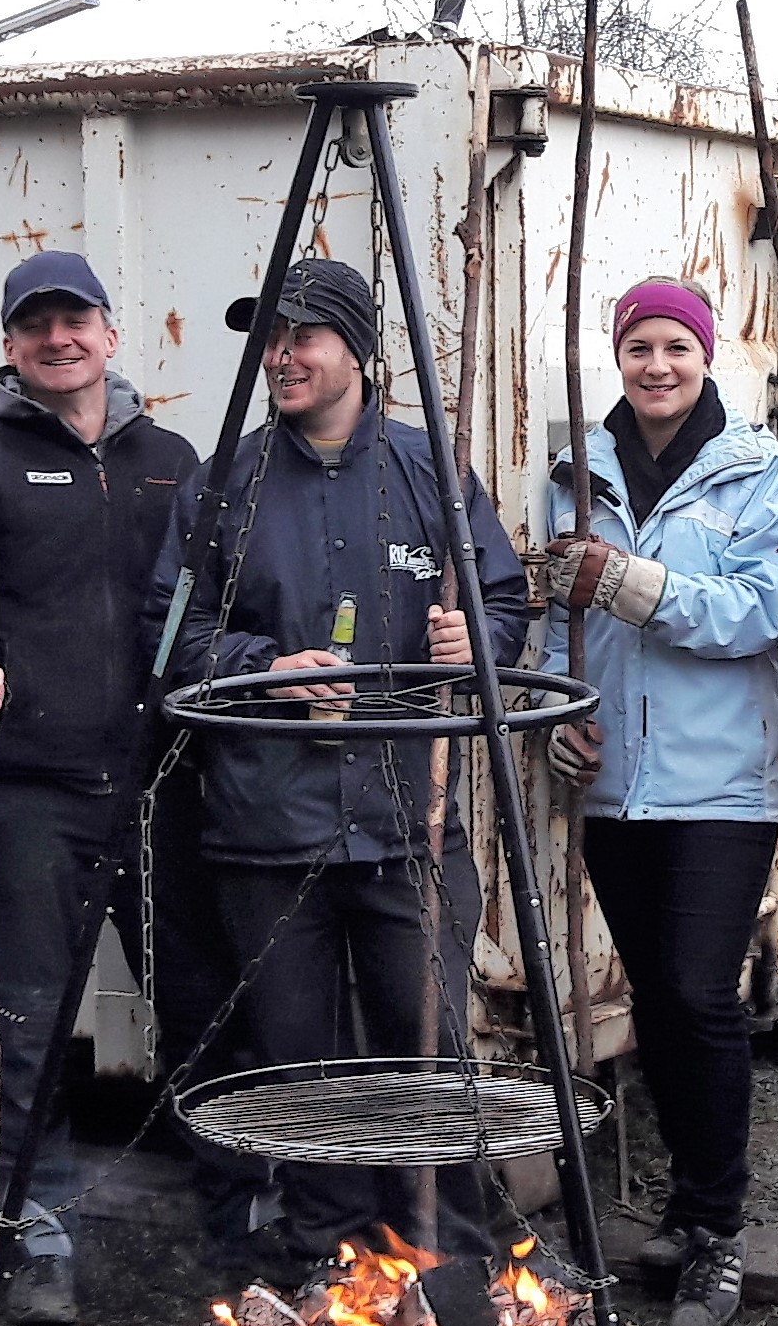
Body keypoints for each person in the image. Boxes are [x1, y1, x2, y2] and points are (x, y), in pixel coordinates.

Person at [150, 255, 529, 1267]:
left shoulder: (430, 470)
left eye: (301, 335)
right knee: (299, 1059)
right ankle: (329, 1255)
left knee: (425, 1046)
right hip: (266, 826)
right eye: (268, 338)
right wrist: (265, 669)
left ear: (356, 349)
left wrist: (476, 641)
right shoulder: (224, 483)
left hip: (409, 819)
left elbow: (502, 606)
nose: (281, 356)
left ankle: (447, 1256)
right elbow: (171, 638)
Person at [0, 248, 213, 1326]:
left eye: (74, 319)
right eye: (35, 325)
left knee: (200, 997)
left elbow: (212, 600)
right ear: (11, 345)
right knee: (26, 1018)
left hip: (161, 782)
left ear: (110, 334)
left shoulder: (171, 460)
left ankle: (234, 1211)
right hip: (25, 789)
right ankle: (34, 1230)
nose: (57, 339)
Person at [535, 277, 778, 1326]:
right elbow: (545, 614)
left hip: (717, 786)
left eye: (675, 348)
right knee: (654, 997)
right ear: (618, 357)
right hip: (612, 782)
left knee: (699, 994)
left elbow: (759, 612)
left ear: (706, 357)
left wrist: (627, 583)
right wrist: (555, 716)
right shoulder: (578, 473)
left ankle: (716, 1226)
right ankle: (684, 1211)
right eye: (639, 347)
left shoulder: (755, 473)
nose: (656, 366)